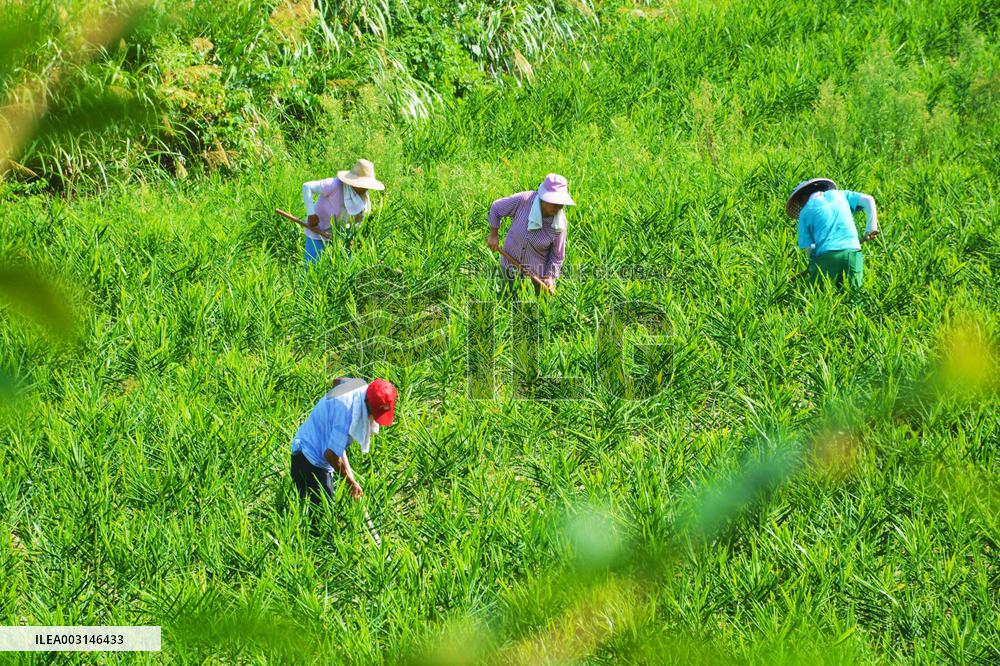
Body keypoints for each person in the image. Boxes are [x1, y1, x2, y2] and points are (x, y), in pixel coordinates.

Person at [290, 377, 397, 503]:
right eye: (374, 412)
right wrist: (350, 483)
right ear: (367, 402)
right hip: (309, 460)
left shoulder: (359, 385)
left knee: (313, 508)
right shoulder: (346, 413)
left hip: (306, 444)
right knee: (322, 512)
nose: (374, 417)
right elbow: (331, 454)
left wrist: (330, 411)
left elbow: (337, 381)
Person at [487, 173, 574, 295]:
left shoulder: (559, 223)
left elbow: (557, 255)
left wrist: (550, 277)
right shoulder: (524, 200)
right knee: (505, 299)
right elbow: (496, 208)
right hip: (509, 265)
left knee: (534, 305)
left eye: (561, 203)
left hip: (536, 276)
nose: (559, 207)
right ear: (543, 198)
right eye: (555, 202)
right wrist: (493, 235)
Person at [786, 178, 880, 291]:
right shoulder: (841, 195)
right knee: (853, 294)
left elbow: (809, 248)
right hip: (853, 252)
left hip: (826, 256)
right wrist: (871, 228)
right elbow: (869, 199)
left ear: (802, 199)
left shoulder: (805, 211)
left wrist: (813, 263)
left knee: (819, 295)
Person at [301, 159, 385, 264]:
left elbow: (358, 221)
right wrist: (311, 214)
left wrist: (353, 238)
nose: (366, 189)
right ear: (354, 183)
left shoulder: (362, 198)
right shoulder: (334, 185)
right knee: (312, 268)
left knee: (345, 268)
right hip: (317, 232)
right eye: (363, 185)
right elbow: (307, 187)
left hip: (341, 239)